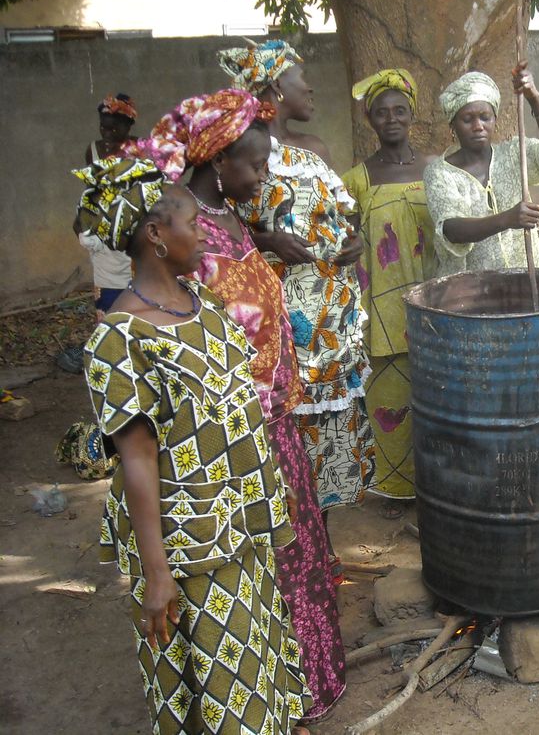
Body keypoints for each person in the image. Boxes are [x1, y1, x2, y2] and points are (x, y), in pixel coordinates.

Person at [75, 155, 312, 732]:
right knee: (216, 674)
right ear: (156, 235)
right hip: (189, 543)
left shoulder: (200, 304)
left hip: (240, 524)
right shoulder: (120, 339)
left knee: (256, 651)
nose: (205, 231)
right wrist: (157, 574)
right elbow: (137, 458)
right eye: (190, 222)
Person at [137, 87, 348, 723]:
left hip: (274, 416)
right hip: (234, 430)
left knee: (298, 551)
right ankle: (270, 695)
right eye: (254, 166)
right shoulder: (183, 232)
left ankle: (312, 681)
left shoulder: (228, 216)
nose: (262, 177)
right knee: (263, 565)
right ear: (217, 159)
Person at [219, 42, 375, 535]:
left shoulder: (317, 151)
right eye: (298, 79)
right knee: (286, 434)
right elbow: (216, 230)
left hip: (332, 323)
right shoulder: (241, 152)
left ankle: (320, 545)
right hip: (280, 320)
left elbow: (345, 218)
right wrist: (266, 241)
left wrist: (355, 241)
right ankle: (291, 548)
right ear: (271, 90)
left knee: (327, 440)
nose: (309, 88)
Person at [343, 68, 436, 507]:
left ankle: (437, 481)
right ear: (371, 121)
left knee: (437, 392)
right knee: (390, 395)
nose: (392, 118)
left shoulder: (437, 171)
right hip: (382, 305)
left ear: (412, 114)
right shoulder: (356, 179)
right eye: (382, 113)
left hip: (436, 301)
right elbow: (341, 239)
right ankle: (397, 489)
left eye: (400, 110)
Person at [423, 64, 539, 278]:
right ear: (452, 125)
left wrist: (534, 98)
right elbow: (452, 229)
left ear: (495, 120)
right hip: (471, 290)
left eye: (485, 117)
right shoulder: (440, 173)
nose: (478, 126)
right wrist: (507, 219)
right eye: (467, 119)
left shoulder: (513, 154)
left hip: (526, 279)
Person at [60, 94, 138, 374]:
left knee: (137, 295)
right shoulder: (92, 150)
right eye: (103, 128)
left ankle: (138, 358)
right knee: (107, 300)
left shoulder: (140, 151)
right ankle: (112, 359)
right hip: (102, 235)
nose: (107, 135)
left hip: (131, 234)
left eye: (114, 129)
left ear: (128, 126)